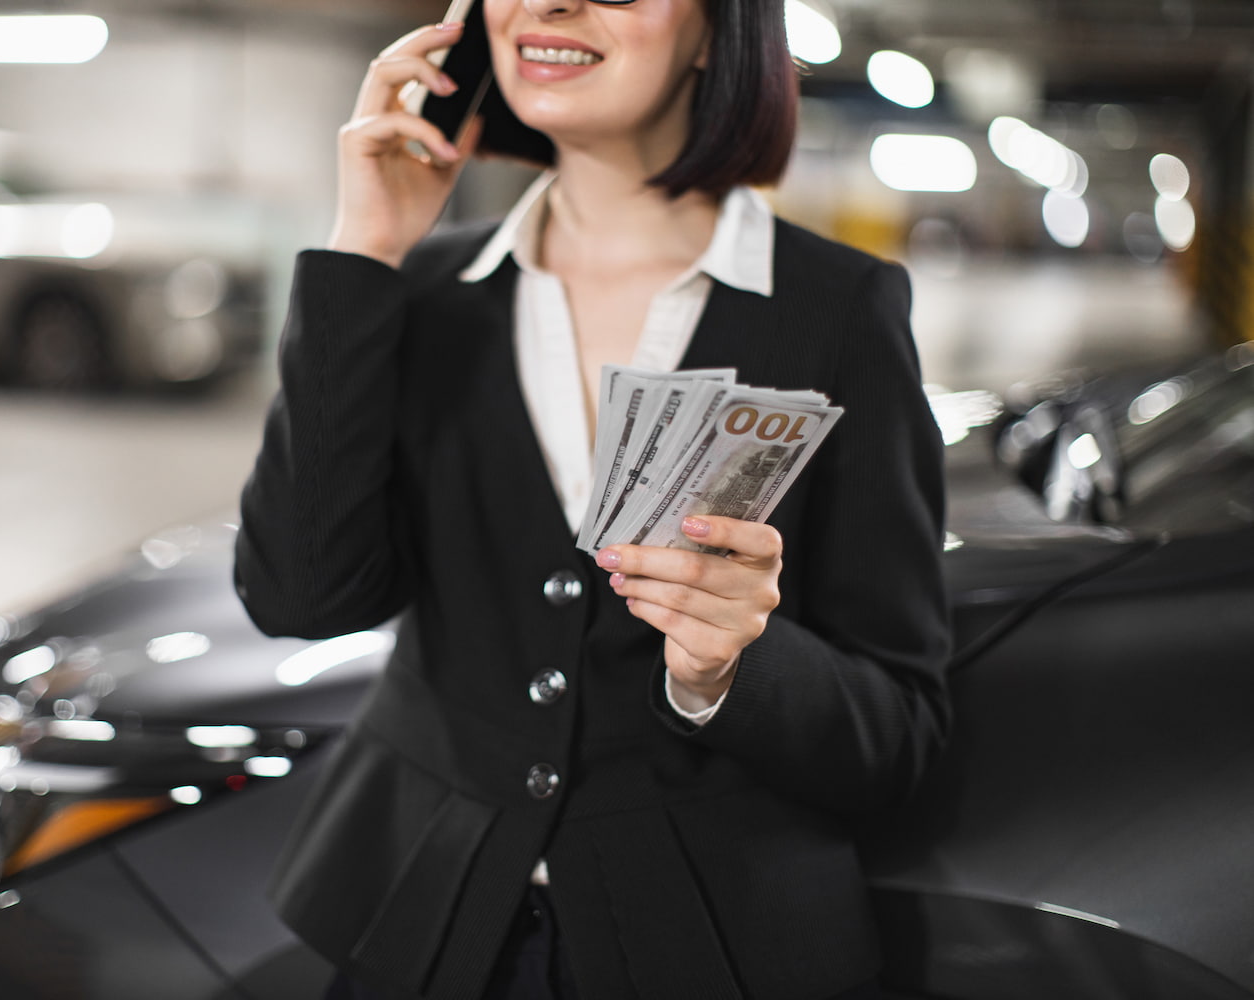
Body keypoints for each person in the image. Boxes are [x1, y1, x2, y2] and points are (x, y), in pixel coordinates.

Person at [233, 0, 951, 997]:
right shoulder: (429, 291)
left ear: (717, 30)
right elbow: (300, 597)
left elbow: (900, 733)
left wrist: (736, 663)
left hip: (705, 944)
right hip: (430, 928)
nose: (553, 3)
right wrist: (364, 249)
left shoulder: (840, 310)